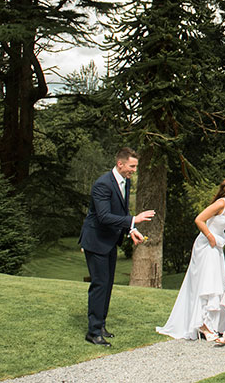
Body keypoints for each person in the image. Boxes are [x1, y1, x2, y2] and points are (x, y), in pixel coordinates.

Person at [156, 173, 225, 341]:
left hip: (217, 244)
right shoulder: (221, 203)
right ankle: (201, 323)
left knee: (216, 281)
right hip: (207, 244)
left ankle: (213, 323)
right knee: (206, 281)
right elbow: (199, 219)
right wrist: (210, 237)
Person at [80, 147, 155, 346]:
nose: (134, 171)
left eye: (135, 167)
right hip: (96, 242)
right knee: (100, 285)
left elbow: (119, 211)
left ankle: (100, 324)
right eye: (132, 166)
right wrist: (134, 219)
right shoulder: (102, 184)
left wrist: (131, 230)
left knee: (107, 285)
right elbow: (104, 216)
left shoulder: (125, 181)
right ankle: (93, 332)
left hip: (110, 241)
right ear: (120, 164)